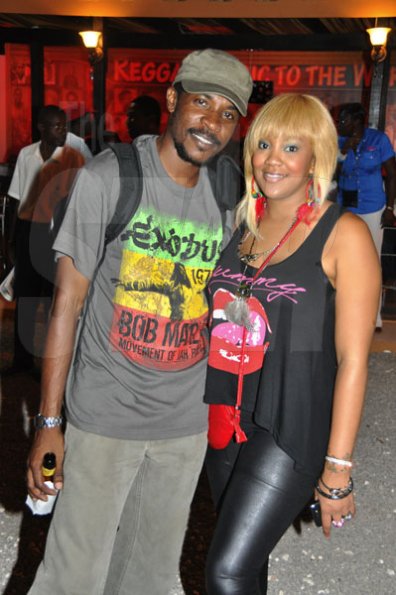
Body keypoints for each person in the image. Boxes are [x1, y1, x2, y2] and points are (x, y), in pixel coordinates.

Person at [26, 49, 253, 595]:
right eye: (201, 103)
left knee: (150, 578)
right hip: (105, 417)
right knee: (73, 578)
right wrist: (50, 423)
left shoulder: (228, 194)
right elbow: (67, 307)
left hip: (184, 424)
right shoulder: (110, 178)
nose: (212, 123)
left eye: (227, 113)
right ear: (174, 100)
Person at [203, 93, 381, 594]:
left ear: (316, 158)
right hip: (226, 417)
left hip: (289, 426)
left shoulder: (343, 234)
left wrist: (338, 469)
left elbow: (352, 362)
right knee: (247, 564)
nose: (272, 159)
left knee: (225, 572)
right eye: (263, 144)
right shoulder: (240, 225)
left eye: (291, 147)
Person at [4, 105, 85, 376]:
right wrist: (9, 242)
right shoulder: (27, 155)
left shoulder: (73, 157)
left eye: (64, 126)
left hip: (57, 233)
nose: (63, 131)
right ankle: (22, 361)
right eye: (57, 126)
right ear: (42, 128)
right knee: (26, 296)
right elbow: (16, 199)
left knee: (53, 299)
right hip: (30, 230)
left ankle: (50, 362)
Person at [335, 102, 396, 330]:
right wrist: (343, 152)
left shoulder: (378, 140)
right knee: (345, 261)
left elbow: (391, 175)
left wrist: (390, 209)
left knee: (372, 261)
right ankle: (347, 312)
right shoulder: (338, 142)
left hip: (372, 207)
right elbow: (328, 173)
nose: (340, 124)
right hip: (345, 209)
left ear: (357, 121)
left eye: (344, 120)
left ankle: (375, 317)